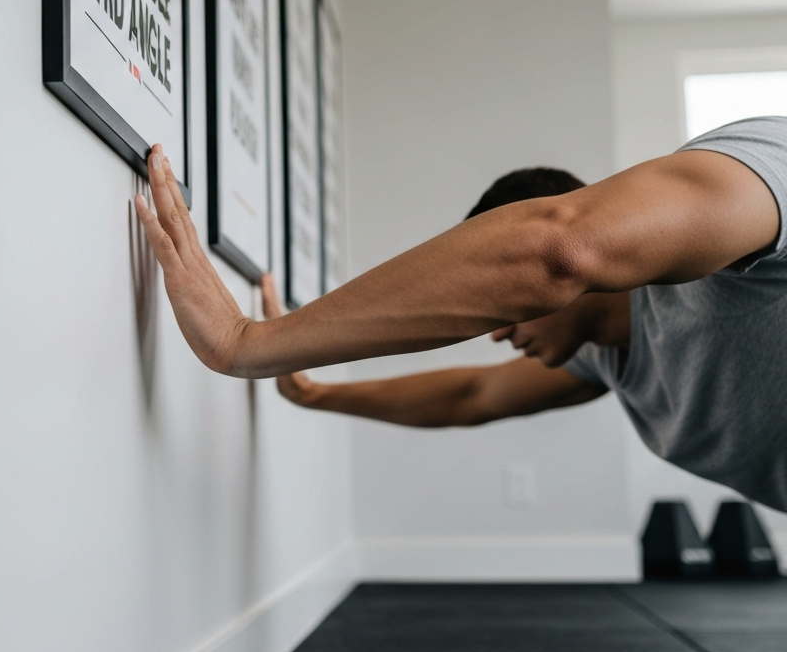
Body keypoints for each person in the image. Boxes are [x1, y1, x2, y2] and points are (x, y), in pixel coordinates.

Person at [134, 117, 787, 511]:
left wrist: (246, 342)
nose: (498, 331)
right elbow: (473, 394)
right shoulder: (608, 359)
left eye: (507, 311)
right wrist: (312, 393)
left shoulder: (760, 164)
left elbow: (561, 245)